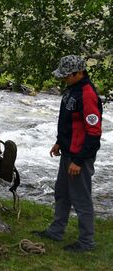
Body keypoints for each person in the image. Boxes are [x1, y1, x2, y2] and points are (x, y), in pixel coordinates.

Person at [32, 55, 102, 252]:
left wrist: (79, 161)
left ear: (78, 73)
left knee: (81, 198)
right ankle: (56, 231)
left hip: (79, 157)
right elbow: (69, 122)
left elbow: (94, 132)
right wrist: (58, 142)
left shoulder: (87, 94)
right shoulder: (72, 89)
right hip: (68, 152)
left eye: (66, 75)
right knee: (62, 193)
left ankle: (86, 242)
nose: (63, 79)